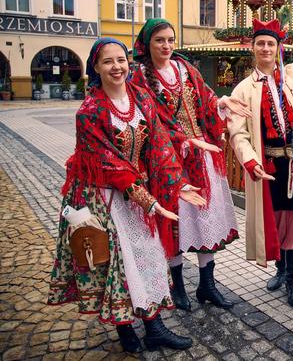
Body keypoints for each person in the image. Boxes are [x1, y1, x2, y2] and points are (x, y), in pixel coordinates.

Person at [48, 38, 206, 352]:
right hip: (101, 197)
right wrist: (150, 201)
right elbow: (110, 165)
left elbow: (160, 144)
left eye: (121, 60)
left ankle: (154, 326)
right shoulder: (89, 112)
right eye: (108, 61)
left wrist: (179, 184)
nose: (117, 67)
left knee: (147, 256)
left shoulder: (142, 98)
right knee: (116, 264)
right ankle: (125, 329)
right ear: (96, 66)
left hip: (138, 192)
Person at [130, 19, 250, 312]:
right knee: (175, 222)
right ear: (147, 44)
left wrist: (220, 104)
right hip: (167, 162)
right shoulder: (139, 79)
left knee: (204, 219)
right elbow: (149, 121)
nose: (167, 46)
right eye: (160, 40)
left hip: (203, 158)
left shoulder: (184, 68)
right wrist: (183, 139)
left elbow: (206, 99)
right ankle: (178, 286)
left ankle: (207, 285)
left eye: (170, 39)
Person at [226, 17, 293, 307]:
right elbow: (238, 133)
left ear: (279, 47)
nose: (266, 48)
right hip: (269, 168)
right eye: (261, 43)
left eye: (271, 43)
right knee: (278, 223)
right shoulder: (243, 89)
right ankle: (281, 271)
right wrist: (250, 161)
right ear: (252, 48)